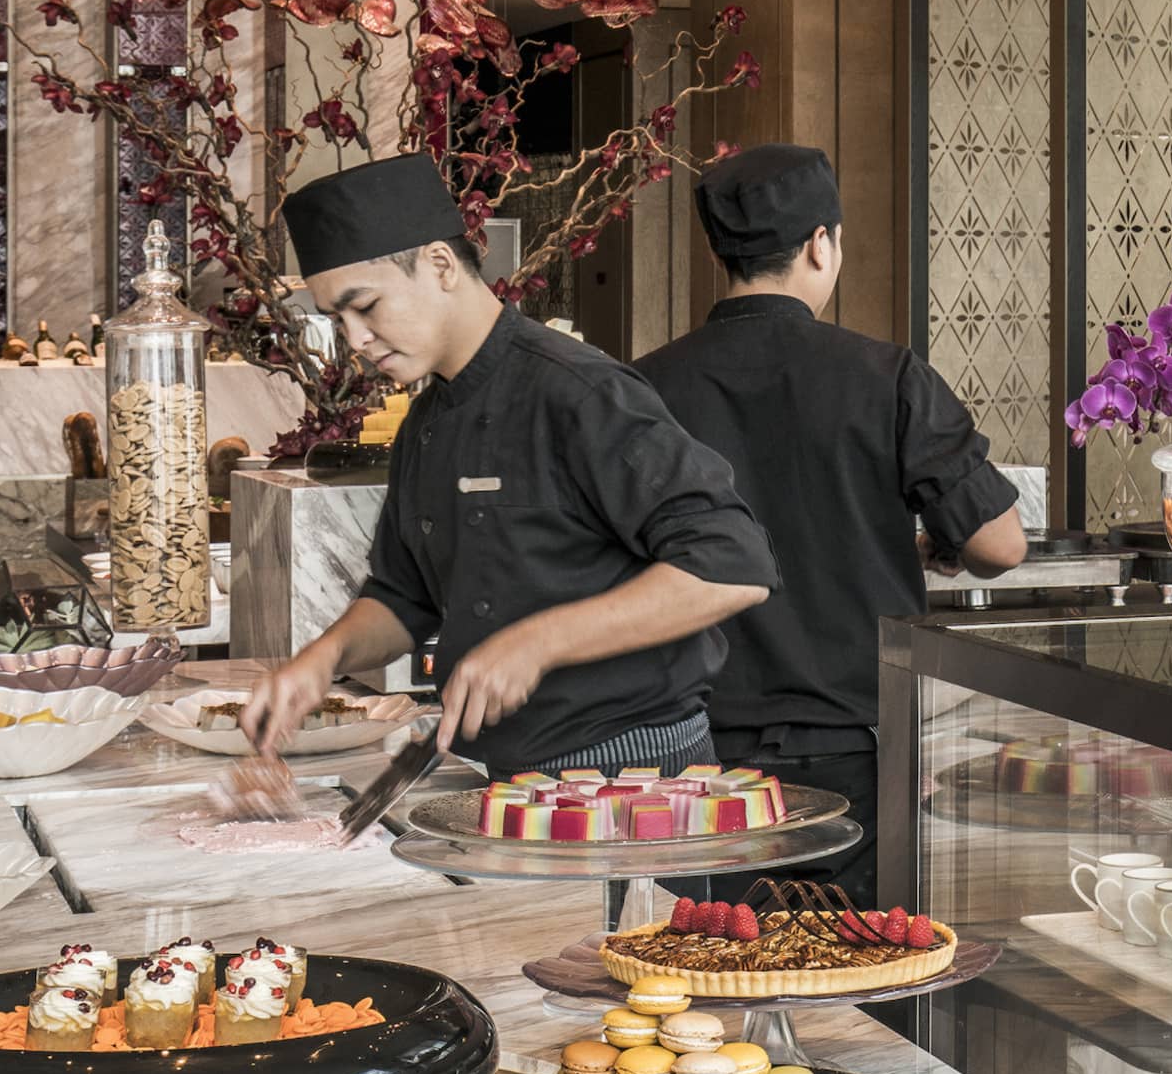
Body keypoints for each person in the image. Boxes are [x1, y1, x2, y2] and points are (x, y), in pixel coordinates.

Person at [241, 152, 781, 778]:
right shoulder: (425, 422)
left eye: (366, 307)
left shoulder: (580, 393)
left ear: (440, 265)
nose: (355, 339)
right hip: (494, 774)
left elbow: (733, 566)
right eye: (339, 318)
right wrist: (321, 658)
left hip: (632, 776)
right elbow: (404, 594)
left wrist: (537, 642)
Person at [636, 145, 1026, 904]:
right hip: (859, 743)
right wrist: (940, 541)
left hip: (697, 755)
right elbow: (1000, 545)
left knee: (714, 977)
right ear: (822, 243)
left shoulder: (644, 387)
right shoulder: (886, 376)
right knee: (862, 973)